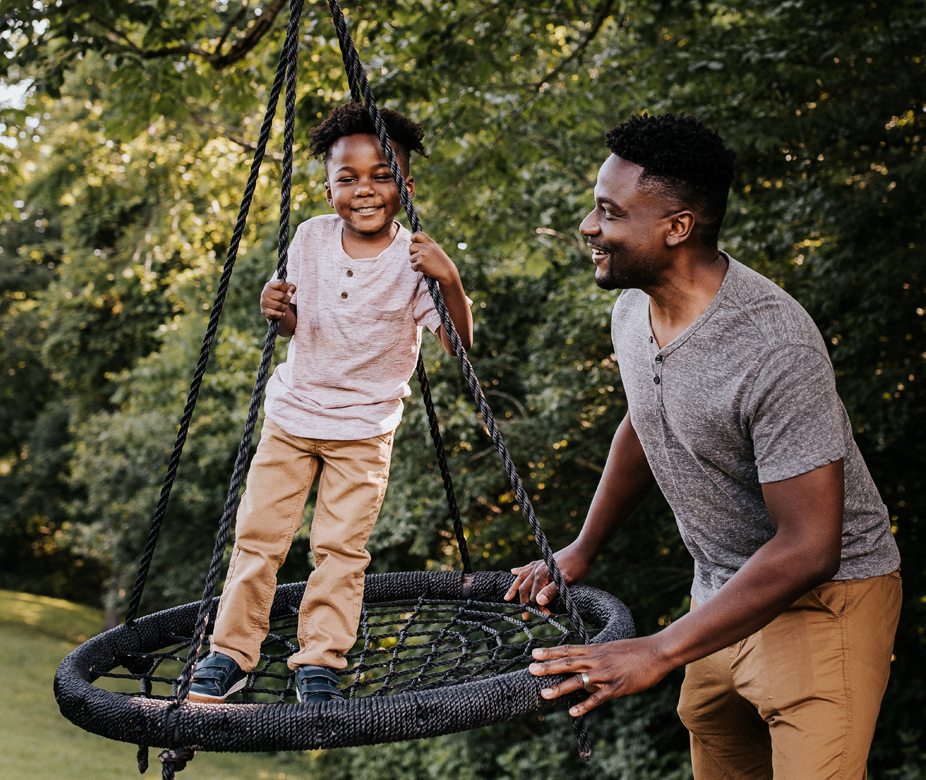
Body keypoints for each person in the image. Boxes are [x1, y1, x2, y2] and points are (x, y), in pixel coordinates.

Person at [505, 113, 901, 778]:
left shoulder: (774, 348)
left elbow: (809, 544)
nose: (588, 227)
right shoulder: (632, 309)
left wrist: (659, 650)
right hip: (719, 601)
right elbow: (646, 419)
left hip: (823, 605)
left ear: (677, 227)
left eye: (608, 211)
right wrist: (582, 545)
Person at [188, 102, 474, 705]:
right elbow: (300, 323)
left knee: (340, 550)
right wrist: (278, 309)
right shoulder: (312, 236)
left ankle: (319, 660)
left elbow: (458, 347)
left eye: (380, 175)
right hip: (292, 418)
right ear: (328, 187)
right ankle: (230, 654)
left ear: (406, 187)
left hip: (364, 432)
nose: (364, 190)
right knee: (257, 538)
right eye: (347, 178)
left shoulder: (417, 260)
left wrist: (449, 279)